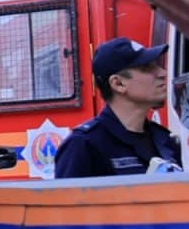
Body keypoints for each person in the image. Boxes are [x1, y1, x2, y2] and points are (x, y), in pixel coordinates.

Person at [54, 38, 181, 178]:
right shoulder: (83, 145)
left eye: (157, 65)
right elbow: (68, 199)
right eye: (147, 68)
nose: (162, 73)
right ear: (118, 83)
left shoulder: (165, 139)